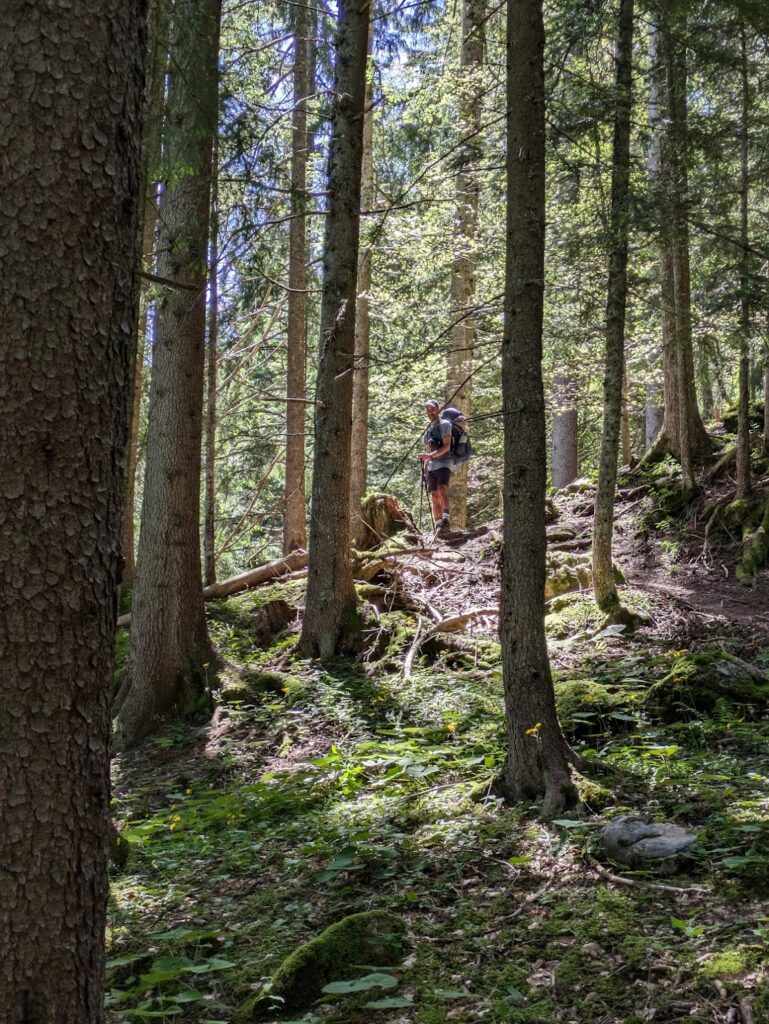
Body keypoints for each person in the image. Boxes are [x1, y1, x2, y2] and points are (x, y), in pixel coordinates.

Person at [420, 399, 454, 533]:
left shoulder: (445, 424)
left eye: (432, 409)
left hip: (445, 462)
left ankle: (446, 518)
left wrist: (431, 456)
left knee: (442, 487)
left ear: (438, 409)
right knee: (434, 495)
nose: (430, 412)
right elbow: (428, 450)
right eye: (427, 410)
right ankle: (438, 523)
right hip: (432, 466)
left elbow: (447, 446)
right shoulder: (428, 430)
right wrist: (425, 471)